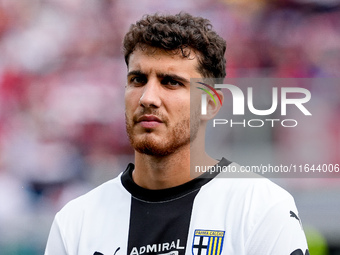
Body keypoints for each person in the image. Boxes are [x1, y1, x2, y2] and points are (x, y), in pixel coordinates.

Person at [45, 12, 309, 255]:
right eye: (137, 80)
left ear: (210, 104)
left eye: (171, 82)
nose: (148, 98)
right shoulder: (75, 222)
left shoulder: (260, 207)